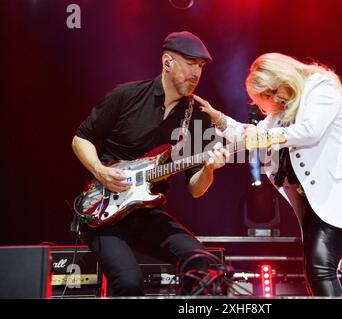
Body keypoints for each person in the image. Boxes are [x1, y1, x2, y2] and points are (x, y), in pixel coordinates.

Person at [195, 53, 342, 296]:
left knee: (320, 266)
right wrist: (219, 120)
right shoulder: (284, 111)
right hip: (316, 200)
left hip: (339, 193)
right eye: (268, 96)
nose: (274, 99)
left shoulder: (320, 88)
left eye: (274, 91)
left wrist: (263, 137)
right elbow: (250, 135)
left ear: (284, 75)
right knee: (315, 268)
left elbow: (310, 131)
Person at [71, 31, 230, 296]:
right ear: (167, 62)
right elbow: (81, 139)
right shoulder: (126, 95)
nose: (196, 73)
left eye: (200, 67)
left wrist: (209, 169)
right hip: (104, 210)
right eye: (190, 63)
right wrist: (101, 171)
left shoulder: (197, 117)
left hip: (145, 211)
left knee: (202, 264)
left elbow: (195, 188)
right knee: (129, 282)